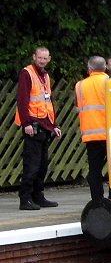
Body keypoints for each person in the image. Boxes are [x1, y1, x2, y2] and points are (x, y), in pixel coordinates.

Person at [14, 46, 62, 210]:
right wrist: (26, 123)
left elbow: (47, 102)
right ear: (34, 57)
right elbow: (22, 100)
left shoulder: (45, 76)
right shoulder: (27, 73)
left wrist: (53, 125)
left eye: (45, 58)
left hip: (44, 126)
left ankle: (38, 196)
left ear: (49, 59)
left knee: (42, 165)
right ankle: (25, 199)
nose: (42, 60)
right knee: (32, 165)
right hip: (33, 125)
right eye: (40, 57)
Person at [74, 55, 109, 203]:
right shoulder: (110, 82)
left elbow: (77, 108)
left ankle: (97, 201)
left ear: (89, 69)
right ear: (105, 67)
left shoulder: (80, 85)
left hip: (90, 134)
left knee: (94, 171)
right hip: (109, 134)